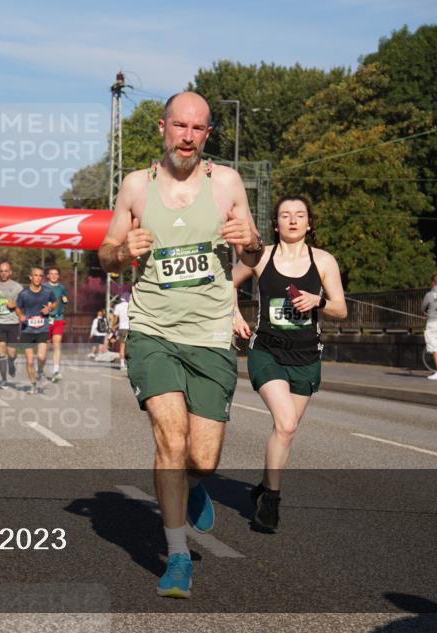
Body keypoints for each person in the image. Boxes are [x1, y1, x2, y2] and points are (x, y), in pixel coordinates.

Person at [98, 91, 264, 598]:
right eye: (180, 126)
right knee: (169, 439)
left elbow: (255, 250)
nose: (187, 137)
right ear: (162, 127)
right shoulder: (134, 186)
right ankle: (175, 556)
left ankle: (197, 485)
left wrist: (249, 242)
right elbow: (105, 254)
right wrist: (123, 249)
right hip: (153, 331)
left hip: (211, 334)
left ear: (207, 135)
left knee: (204, 458)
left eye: (198, 129)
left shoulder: (227, 183)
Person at [232, 196, 346, 531]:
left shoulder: (323, 261)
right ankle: (272, 502)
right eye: (285, 215)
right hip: (267, 350)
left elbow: (341, 309)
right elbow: (226, 285)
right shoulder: (261, 256)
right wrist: (234, 314)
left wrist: (319, 301)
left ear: (309, 223)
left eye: (300, 215)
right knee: (286, 424)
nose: (293, 220)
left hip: (307, 355)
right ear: (276, 223)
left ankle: (264, 486)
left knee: (286, 432)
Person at [15, 267, 56, 394]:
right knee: (29, 361)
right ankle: (33, 385)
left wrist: (49, 309)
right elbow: (17, 307)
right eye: (35, 275)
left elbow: (55, 302)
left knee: (41, 356)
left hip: (42, 328)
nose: (38, 278)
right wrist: (20, 315)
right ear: (30, 277)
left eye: (40, 276)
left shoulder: (47, 291)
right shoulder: (24, 294)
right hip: (27, 329)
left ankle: (40, 371)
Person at [0, 261, 23, 388]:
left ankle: (12, 362)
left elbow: (23, 302)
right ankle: (3, 379)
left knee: (12, 353)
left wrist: (15, 305)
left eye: (6, 271)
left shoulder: (17, 287)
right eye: (1, 271)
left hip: (13, 323)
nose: (3, 273)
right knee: (0, 350)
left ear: (10, 272)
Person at [44, 266, 69, 382]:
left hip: (59, 318)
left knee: (57, 344)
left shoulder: (61, 287)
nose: (53, 275)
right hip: (45, 319)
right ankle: (40, 368)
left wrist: (65, 299)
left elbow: (64, 297)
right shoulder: (43, 287)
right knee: (44, 346)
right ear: (48, 275)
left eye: (56, 273)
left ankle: (55, 370)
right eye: (51, 273)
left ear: (58, 276)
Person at [112, 294, 131, 370]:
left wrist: (113, 326)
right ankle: (130, 364)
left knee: (122, 347)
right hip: (131, 328)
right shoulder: (131, 305)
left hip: (122, 328)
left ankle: (122, 364)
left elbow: (115, 318)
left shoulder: (118, 306)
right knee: (130, 347)